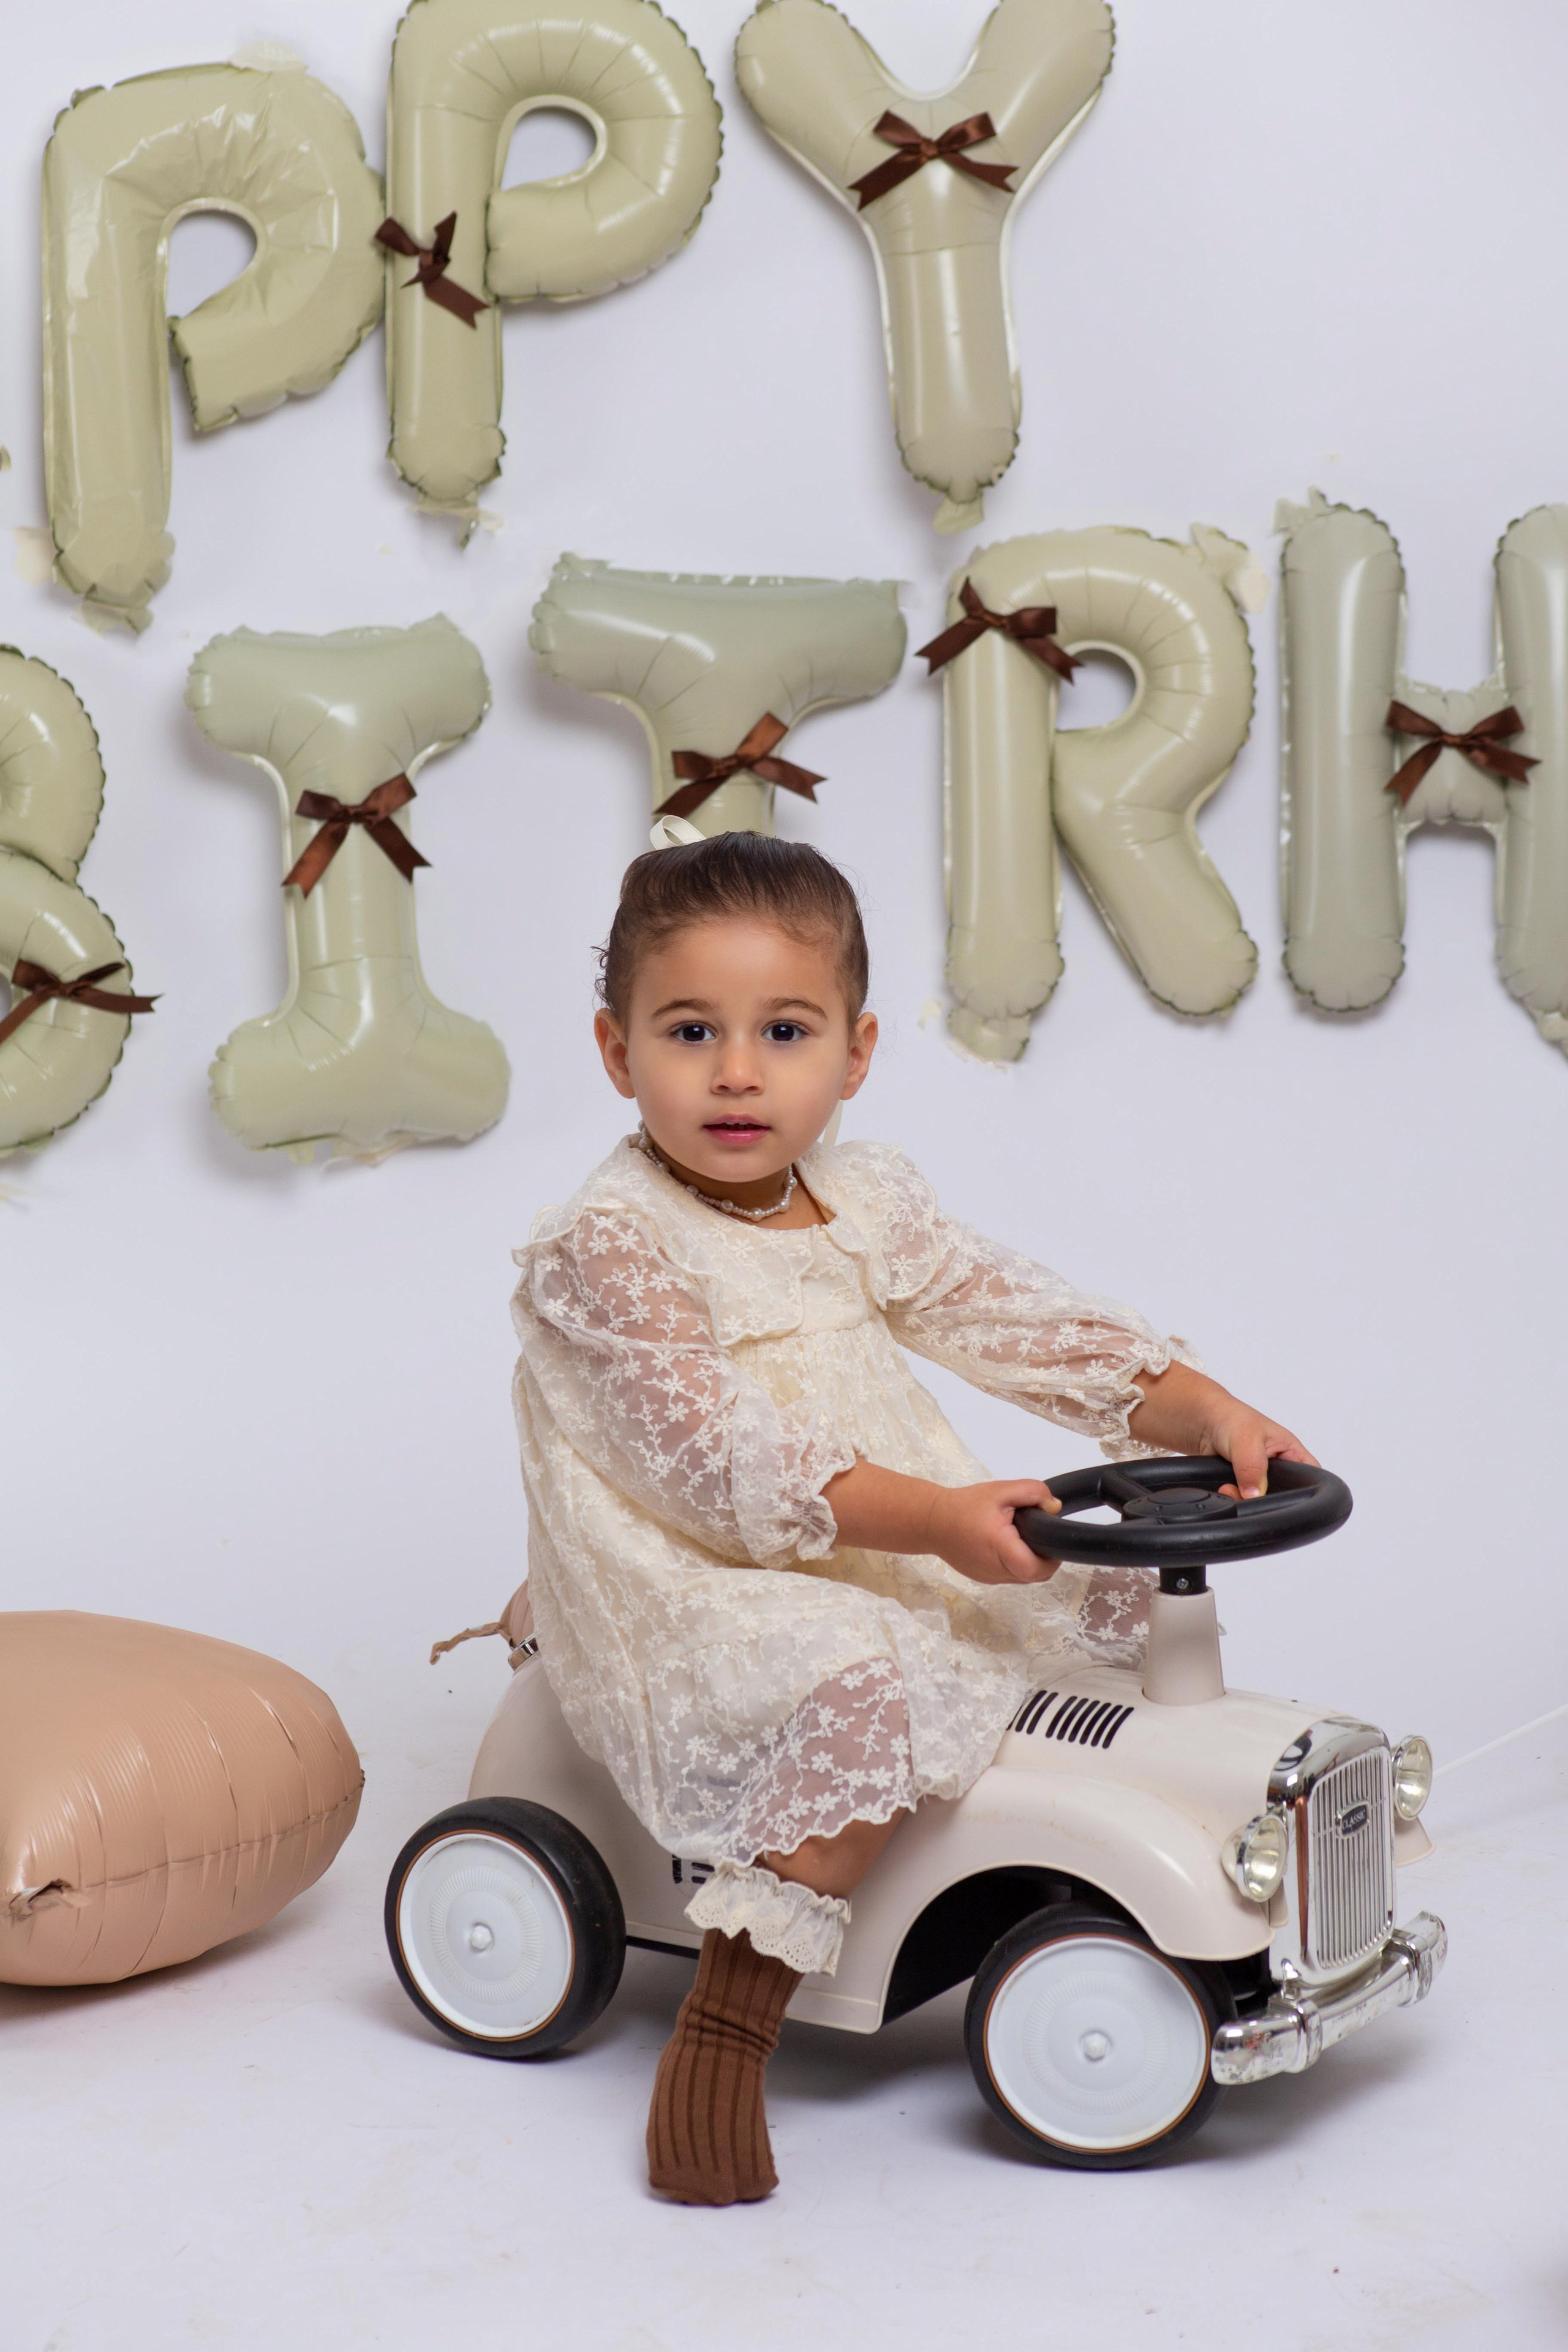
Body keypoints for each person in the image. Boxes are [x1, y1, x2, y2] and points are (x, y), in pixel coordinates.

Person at [510, 827, 1314, 2207]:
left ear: (857, 1053)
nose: (737, 1071)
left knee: (1104, 1587)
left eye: (784, 1029)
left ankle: (1148, 1880)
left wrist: (1203, 1410)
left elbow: (1012, 1313)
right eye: (689, 1029)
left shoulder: (859, 1197)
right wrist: (935, 1520)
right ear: (613, 1048)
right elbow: (714, 1459)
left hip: (882, 1530)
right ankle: (728, 2017)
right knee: (863, 1687)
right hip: (688, 1572)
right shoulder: (609, 1248)